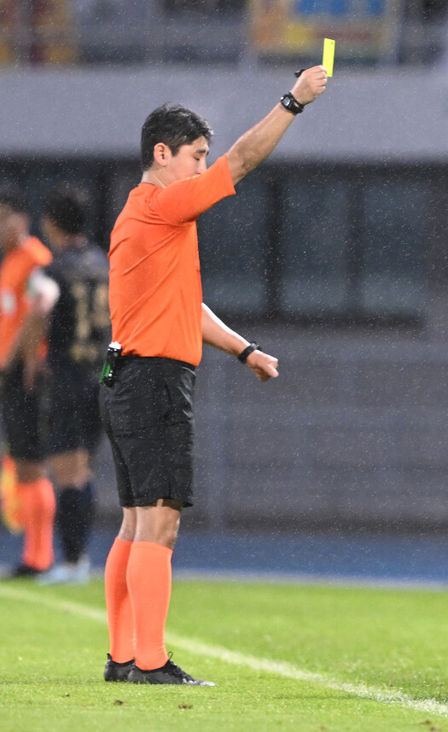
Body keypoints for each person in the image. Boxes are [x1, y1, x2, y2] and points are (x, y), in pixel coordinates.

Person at [100, 66, 328, 686]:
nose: (203, 167)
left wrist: (243, 348)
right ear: (162, 153)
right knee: (160, 519)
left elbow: (183, 306)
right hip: (152, 381)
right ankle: (148, 663)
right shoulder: (162, 206)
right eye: (195, 156)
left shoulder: (138, 218)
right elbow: (243, 160)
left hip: (125, 374)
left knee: (134, 519)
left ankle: (124, 657)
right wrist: (293, 102)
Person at [21, 186, 111, 585]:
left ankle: (72, 562)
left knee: (66, 472)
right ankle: (80, 558)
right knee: (84, 470)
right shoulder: (103, 263)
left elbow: (39, 310)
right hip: (101, 376)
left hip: (66, 378)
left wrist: (28, 360)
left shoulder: (53, 271)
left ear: (51, 223)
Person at [0, 187, 56, 580]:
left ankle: (40, 556)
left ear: (21, 219)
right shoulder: (11, 263)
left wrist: (18, 362)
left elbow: (40, 314)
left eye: (4, 217)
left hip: (27, 375)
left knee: (31, 465)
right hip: (11, 375)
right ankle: (35, 553)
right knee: (22, 465)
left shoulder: (36, 260)